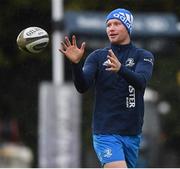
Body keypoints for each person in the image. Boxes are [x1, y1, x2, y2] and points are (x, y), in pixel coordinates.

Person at [59, 8, 154, 168]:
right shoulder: (97, 57)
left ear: (128, 27)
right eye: (108, 24)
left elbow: (141, 82)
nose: (111, 28)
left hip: (132, 133)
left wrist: (121, 69)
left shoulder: (143, 56)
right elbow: (82, 87)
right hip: (105, 132)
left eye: (117, 24)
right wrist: (75, 64)